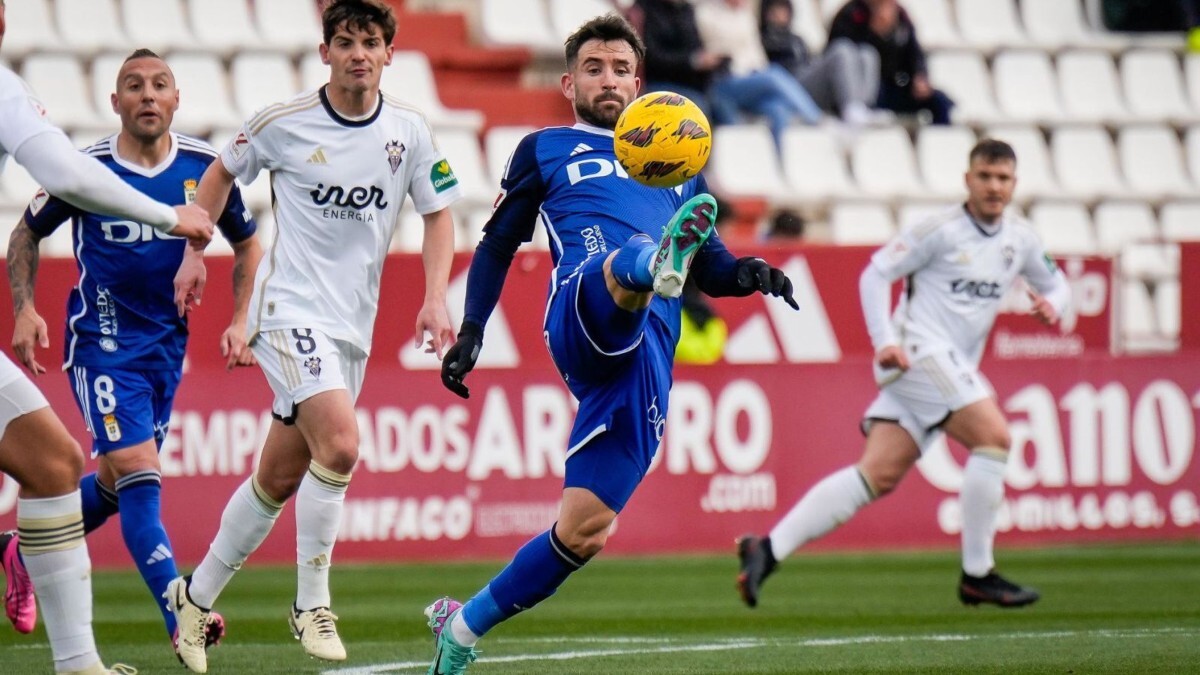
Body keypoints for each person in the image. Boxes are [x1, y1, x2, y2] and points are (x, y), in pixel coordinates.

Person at [425, 14, 798, 675]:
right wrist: (474, 326)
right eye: (594, 68)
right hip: (581, 304)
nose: (608, 79)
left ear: (638, 82)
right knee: (629, 258)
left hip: (648, 352)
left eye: (621, 69)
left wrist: (749, 274)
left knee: (585, 529)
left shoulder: (679, 160)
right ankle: (650, 264)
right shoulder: (546, 146)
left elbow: (709, 261)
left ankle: (462, 625)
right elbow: (498, 242)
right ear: (569, 82)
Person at [163, 1, 459, 671]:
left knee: (278, 477)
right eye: (346, 41)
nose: (359, 52)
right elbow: (217, 173)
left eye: (372, 42)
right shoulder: (282, 123)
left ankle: (194, 596)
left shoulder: (410, 132)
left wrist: (436, 297)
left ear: (390, 54)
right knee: (344, 444)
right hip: (287, 310)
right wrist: (192, 250)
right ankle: (311, 603)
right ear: (324, 52)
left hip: (351, 324)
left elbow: (439, 216)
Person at [736, 139, 1070, 610]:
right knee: (994, 436)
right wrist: (884, 341)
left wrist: (1053, 304)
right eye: (985, 176)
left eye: (1003, 178)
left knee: (876, 475)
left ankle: (767, 550)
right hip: (917, 353)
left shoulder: (1021, 239)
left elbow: (1056, 283)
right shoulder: (940, 230)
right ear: (967, 180)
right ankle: (979, 573)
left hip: (945, 366)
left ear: (1014, 184)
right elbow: (875, 274)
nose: (994, 187)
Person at [7, 48, 259, 659]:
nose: (147, 95)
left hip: (164, 350)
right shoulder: (86, 169)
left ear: (177, 101)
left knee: (119, 482)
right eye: (133, 86)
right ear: (114, 102)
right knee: (144, 475)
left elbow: (247, 244)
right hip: (102, 343)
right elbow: (25, 232)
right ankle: (180, 612)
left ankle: (18, 551)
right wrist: (24, 307)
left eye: (160, 85)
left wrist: (239, 321)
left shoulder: (204, 169)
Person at [694, 0, 825, 150]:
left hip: (751, 79)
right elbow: (717, 50)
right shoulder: (706, 14)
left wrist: (757, 70)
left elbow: (756, 52)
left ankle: (779, 161)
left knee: (778, 109)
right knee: (773, 75)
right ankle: (816, 119)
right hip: (725, 80)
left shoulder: (745, 17)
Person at [759, 0, 888, 127]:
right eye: (775, 10)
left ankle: (864, 106)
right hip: (790, 83)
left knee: (867, 53)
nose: (780, 14)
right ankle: (851, 109)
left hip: (806, 73)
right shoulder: (764, 38)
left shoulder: (796, 39)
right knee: (840, 49)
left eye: (783, 9)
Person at [829, 0, 954, 125]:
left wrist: (920, 76)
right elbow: (841, 56)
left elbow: (914, 53)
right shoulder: (853, 13)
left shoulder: (901, 16)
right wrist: (876, 35)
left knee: (939, 102)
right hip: (866, 91)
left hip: (894, 85)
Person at [625, 0, 724, 121]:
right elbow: (651, 57)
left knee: (722, 100)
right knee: (697, 108)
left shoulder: (686, 9)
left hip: (694, 82)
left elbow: (696, 46)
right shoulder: (643, 10)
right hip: (658, 82)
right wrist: (692, 61)